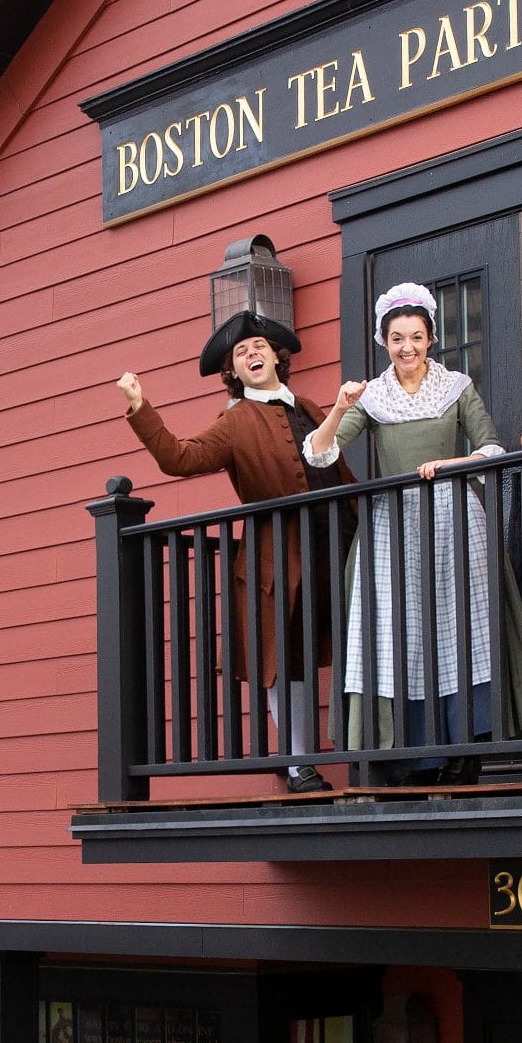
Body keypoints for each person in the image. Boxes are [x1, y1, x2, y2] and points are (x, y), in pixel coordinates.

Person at [302, 282, 522, 783]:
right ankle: (407, 757)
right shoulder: (373, 397)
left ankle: (465, 752)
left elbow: (491, 448)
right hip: (391, 528)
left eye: (417, 337)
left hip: (454, 521)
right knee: (397, 632)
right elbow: (319, 452)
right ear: (385, 342)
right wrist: (340, 406)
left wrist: (447, 465)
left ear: (431, 339)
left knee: (460, 629)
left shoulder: (457, 387)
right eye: (398, 338)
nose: (408, 347)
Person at [120, 309, 352, 792]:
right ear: (233, 371)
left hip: (335, 543)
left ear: (276, 357)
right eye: (241, 353)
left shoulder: (309, 405)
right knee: (285, 659)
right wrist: (141, 408)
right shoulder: (234, 421)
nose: (252, 354)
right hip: (276, 557)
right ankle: (297, 763)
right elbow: (178, 458)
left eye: (259, 347)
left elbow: (338, 471)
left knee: (338, 648)